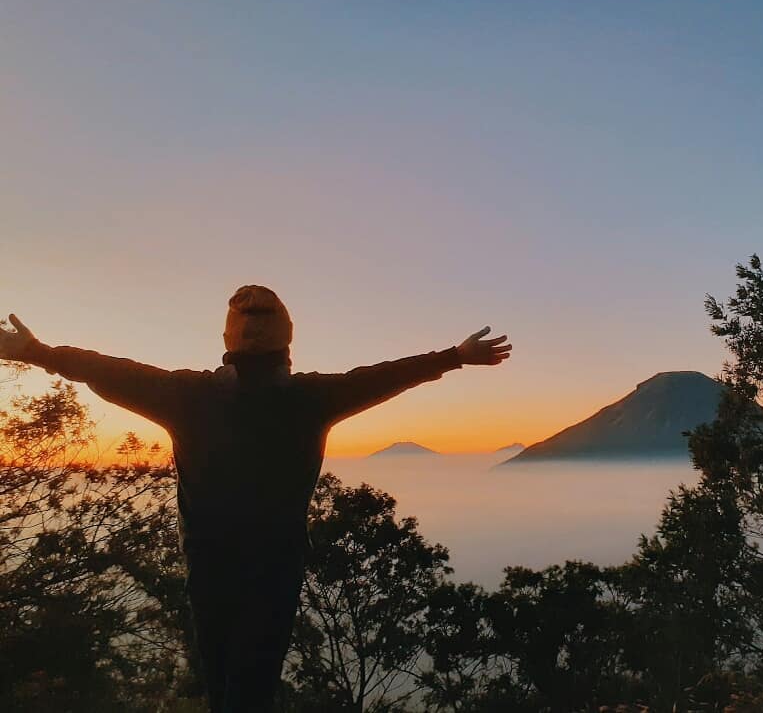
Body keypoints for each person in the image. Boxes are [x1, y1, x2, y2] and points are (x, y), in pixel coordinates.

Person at [0, 285, 512, 712]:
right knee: (245, 689)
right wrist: (454, 358)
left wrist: (38, 353)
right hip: (271, 570)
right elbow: (381, 377)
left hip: (215, 566)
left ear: (226, 339)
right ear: (288, 345)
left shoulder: (191, 395)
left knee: (227, 682)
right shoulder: (308, 398)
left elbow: (110, 370)